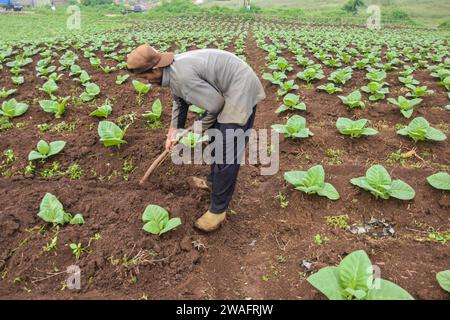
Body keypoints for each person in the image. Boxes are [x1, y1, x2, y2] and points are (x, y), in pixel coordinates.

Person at [127, 44, 265, 232]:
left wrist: (196, 129)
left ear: (156, 69)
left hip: (239, 90)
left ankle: (218, 210)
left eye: (145, 77)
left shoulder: (181, 76)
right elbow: (179, 102)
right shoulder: (171, 72)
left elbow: (216, 105)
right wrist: (173, 131)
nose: (145, 82)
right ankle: (213, 183)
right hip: (227, 89)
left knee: (226, 150)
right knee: (216, 139)